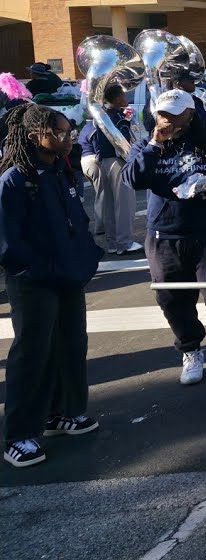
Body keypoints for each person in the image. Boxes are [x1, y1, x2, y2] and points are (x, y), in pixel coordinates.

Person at [1, 104, 103, 468]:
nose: (67, 137)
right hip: (34, 281)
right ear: (35, 137)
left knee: (72, 343)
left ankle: (63, 412)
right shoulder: (14, 180)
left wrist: (88, 256)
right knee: (33, 354)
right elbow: (8, 243)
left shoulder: (62, 170)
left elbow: (76, 220)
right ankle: (20, 434)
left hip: (68, 277)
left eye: (69, 131)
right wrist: (36, 269)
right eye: (58, 132)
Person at [123, 88, 206, 385]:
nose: (167, 120)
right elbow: (132, 179)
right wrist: (154, 144)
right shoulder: (146, 145)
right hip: (164, 236)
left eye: (175, 114)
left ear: (190, 115)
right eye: (162, 114)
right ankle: (191, 349)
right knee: (172, 299)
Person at [79, 82, 141, 255]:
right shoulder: (117, 116)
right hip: (118, 160)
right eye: (123, 95)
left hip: (104, 160)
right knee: (125, 203)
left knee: (109, 203)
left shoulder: (102, 115)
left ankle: (113, 243)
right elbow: (125, 143)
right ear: (116, 98)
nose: (126, 98)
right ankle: (125, 243)